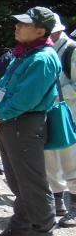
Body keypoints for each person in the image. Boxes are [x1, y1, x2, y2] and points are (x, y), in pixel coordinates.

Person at [0, 7, 61, 236]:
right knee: (17, 180)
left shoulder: (42, 58)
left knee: (33, 184)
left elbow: (27, 98)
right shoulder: (23, 54)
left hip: (25, 125)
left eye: (23, 24)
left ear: (40, 31)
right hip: (11, 123)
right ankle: (20, 228)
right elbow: (2, 84)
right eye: (17, 23)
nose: (17, 26)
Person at [44, 13, 76, 224]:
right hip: (48, 113)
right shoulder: (45, 51)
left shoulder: (71, 50)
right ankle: (58, 201)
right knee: (50, 157)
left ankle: (74, 205)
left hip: (71, 114)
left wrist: (54, 91)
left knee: (71, 160)